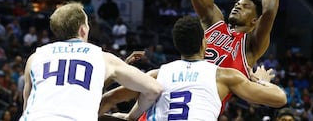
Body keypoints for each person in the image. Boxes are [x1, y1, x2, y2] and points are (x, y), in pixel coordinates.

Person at [109, 16, 286, 121]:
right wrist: (261, 80)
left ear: (177, 45)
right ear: (204, 43)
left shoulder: (156, 74)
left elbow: (111, 98)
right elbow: (280, 99)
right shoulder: (223, 76)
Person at [19, 2, 162, 121]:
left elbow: (27, 106)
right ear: (83, 29)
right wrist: (131, 117)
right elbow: (154, 89)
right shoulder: (102, 57)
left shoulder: (35, 57)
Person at [188, 0, 282, 107]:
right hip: (176, 90)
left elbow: (269, 10)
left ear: (254, 21)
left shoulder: (251, 45)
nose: (238, 6)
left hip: (202, 107)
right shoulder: (214, 22)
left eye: (246, 7)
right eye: (237, 3)